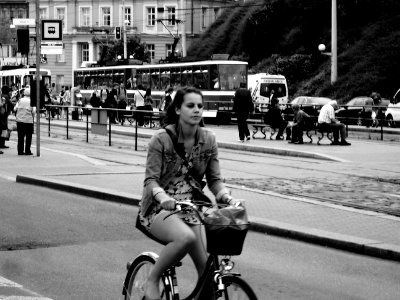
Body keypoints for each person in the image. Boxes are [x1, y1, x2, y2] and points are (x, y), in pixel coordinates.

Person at [137, 86, 239, 300]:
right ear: (177, 110)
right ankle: (152, 279)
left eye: (200, 106)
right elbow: (151, 180)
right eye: (190, 105)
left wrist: (227, 198)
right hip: (158, 209)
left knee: (208, 273)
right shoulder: (161, 140)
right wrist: (164, 198)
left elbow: (215, 181)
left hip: (191, 208)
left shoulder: (208, 140)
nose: (197, 110)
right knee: (184, 237)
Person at [14, 88, 36, 155]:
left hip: (19, 120)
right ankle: (27, 151)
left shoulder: (20, 100)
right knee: (28, 136)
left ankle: (20, 151)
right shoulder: (32, 101)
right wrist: (32, 116)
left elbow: (15, 109)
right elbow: (34, 111)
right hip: (28, 121)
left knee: (20, 136)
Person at [1, 85, 14, 150]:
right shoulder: (6, 97)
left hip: (2, 115)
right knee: (3, 129)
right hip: (3, 116)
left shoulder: (1, 96)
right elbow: (11, 105)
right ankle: (2, 144)